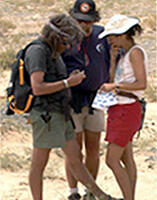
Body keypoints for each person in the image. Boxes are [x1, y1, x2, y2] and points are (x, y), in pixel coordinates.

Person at [25, 13, 117, 200]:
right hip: (45, 115)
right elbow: (38, 87)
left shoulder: (52, 51)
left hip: (60, 112)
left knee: (75, 158)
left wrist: (69, 79)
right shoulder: (37, 51)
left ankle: (100, 196)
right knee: (39, 163)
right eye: (66, 42)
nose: (67, 47)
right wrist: (68, 83)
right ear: (56, 36)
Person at [62, 1, 110, 199]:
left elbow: (112, 59)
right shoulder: (64, 38)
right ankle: (73, 192)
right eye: (79, 20)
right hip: (71, 101)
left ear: (95, 20)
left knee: (93, 148)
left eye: (88, 21)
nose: (84, 25)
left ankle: (90, 191)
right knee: (74, 150)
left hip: (96, 99)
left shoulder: (102, 35)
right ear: (72, 19)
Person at [98, 14, 148, 200]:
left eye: (113, 35)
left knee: (112, 159)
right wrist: (112, 61)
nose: (110, 39)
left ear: (123, 34)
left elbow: (142, 84)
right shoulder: (125, 54)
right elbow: (114, 80)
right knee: (126, 158)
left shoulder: (135, 53)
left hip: (126, 109)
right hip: (121, 108)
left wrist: (115, 87)